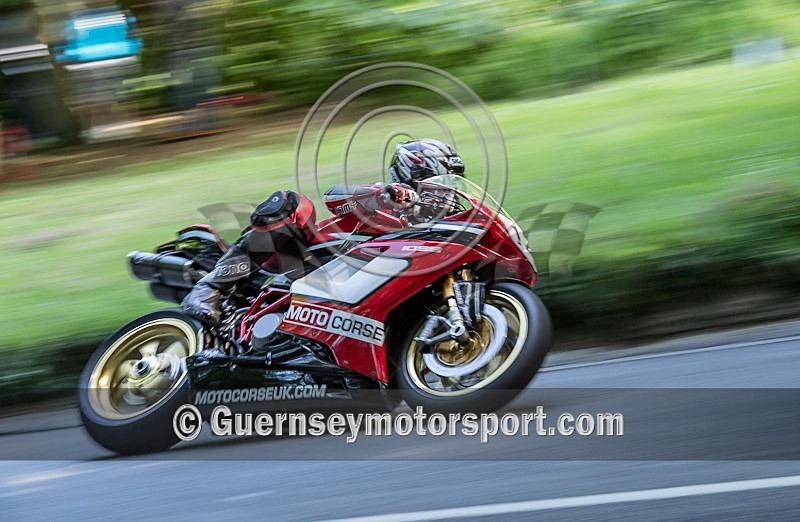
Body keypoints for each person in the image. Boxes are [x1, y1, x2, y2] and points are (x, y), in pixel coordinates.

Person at [181, 139, 465, 324]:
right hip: (309, 263)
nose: (446, 188)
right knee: (293, 203)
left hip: (359, 299)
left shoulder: (440, 227)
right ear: (412, 175)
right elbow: (335, 200)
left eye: (452, 180)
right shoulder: (384, 199)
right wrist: (383, 195)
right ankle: (209, 289)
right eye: (438, 177)